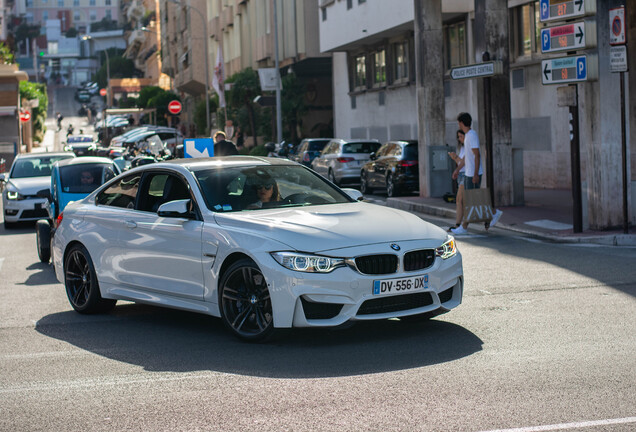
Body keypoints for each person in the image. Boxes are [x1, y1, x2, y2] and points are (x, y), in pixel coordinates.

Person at [451, 112, 502, 235]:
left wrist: (475, 174)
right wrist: (459, 170)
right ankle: (465, 226)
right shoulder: (468, 135)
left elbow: (477, 155)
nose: (458, 124)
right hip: (469, 173)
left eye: (459, 122)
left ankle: (493, 213)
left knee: (472, 200)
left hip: (473, 173)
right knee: (471, 201)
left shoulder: (472, 135)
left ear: (462, 123)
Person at [447, 129, 466, 232]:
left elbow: (465, 162)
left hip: (466, 175)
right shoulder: (462, 147)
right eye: (458, 137)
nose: (460, 139)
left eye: (461, 136)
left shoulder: (468, 146)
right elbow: (460, 162)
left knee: (460, 200)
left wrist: (455, 158)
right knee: (461, 201)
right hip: (461, 175)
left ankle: (460, 225)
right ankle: (459, 224)